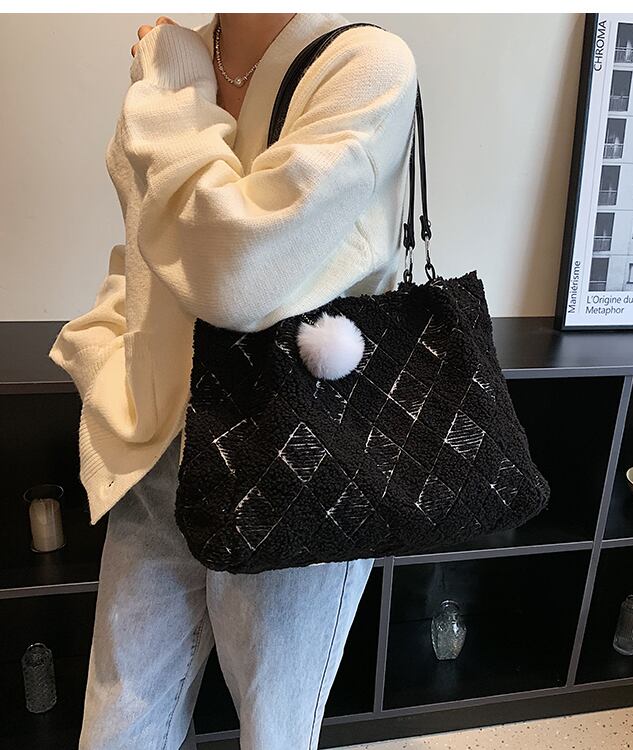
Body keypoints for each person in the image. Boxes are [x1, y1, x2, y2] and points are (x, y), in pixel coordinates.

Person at [47, 11, 418, 749]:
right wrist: (107, 348)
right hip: (160, 451)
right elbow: (150, 247)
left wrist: (177, 86)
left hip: (297, 463)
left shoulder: (365, 64)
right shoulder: (177, 58)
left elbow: (231, 274)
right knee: (115, 729)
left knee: (274, 730)